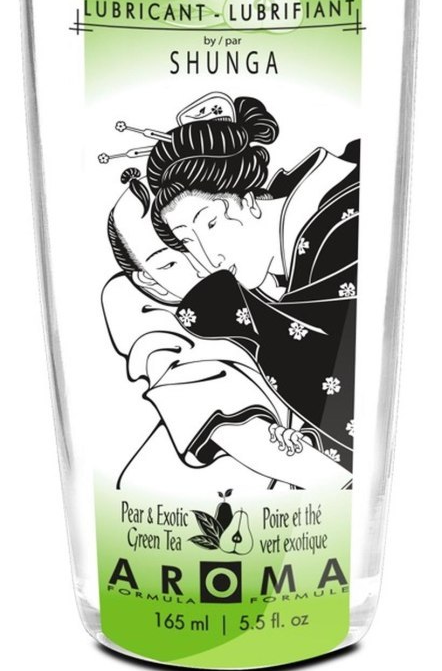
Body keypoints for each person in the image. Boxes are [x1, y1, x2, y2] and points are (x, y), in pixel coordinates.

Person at [146, 93, 359, 474]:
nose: (208, 258)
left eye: (211, 223)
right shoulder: (282, 273)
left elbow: (346, 380)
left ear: (250, 199)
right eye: (187, 241)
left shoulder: (345, 223)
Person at [103, 166, 352, 489]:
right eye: (170, 262)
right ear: (148, 281)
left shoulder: (271, 270)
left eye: (205, 231)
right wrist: (339, 481)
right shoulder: (153, 323)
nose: (203, 261)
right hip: (192, 501)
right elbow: (216, 411)